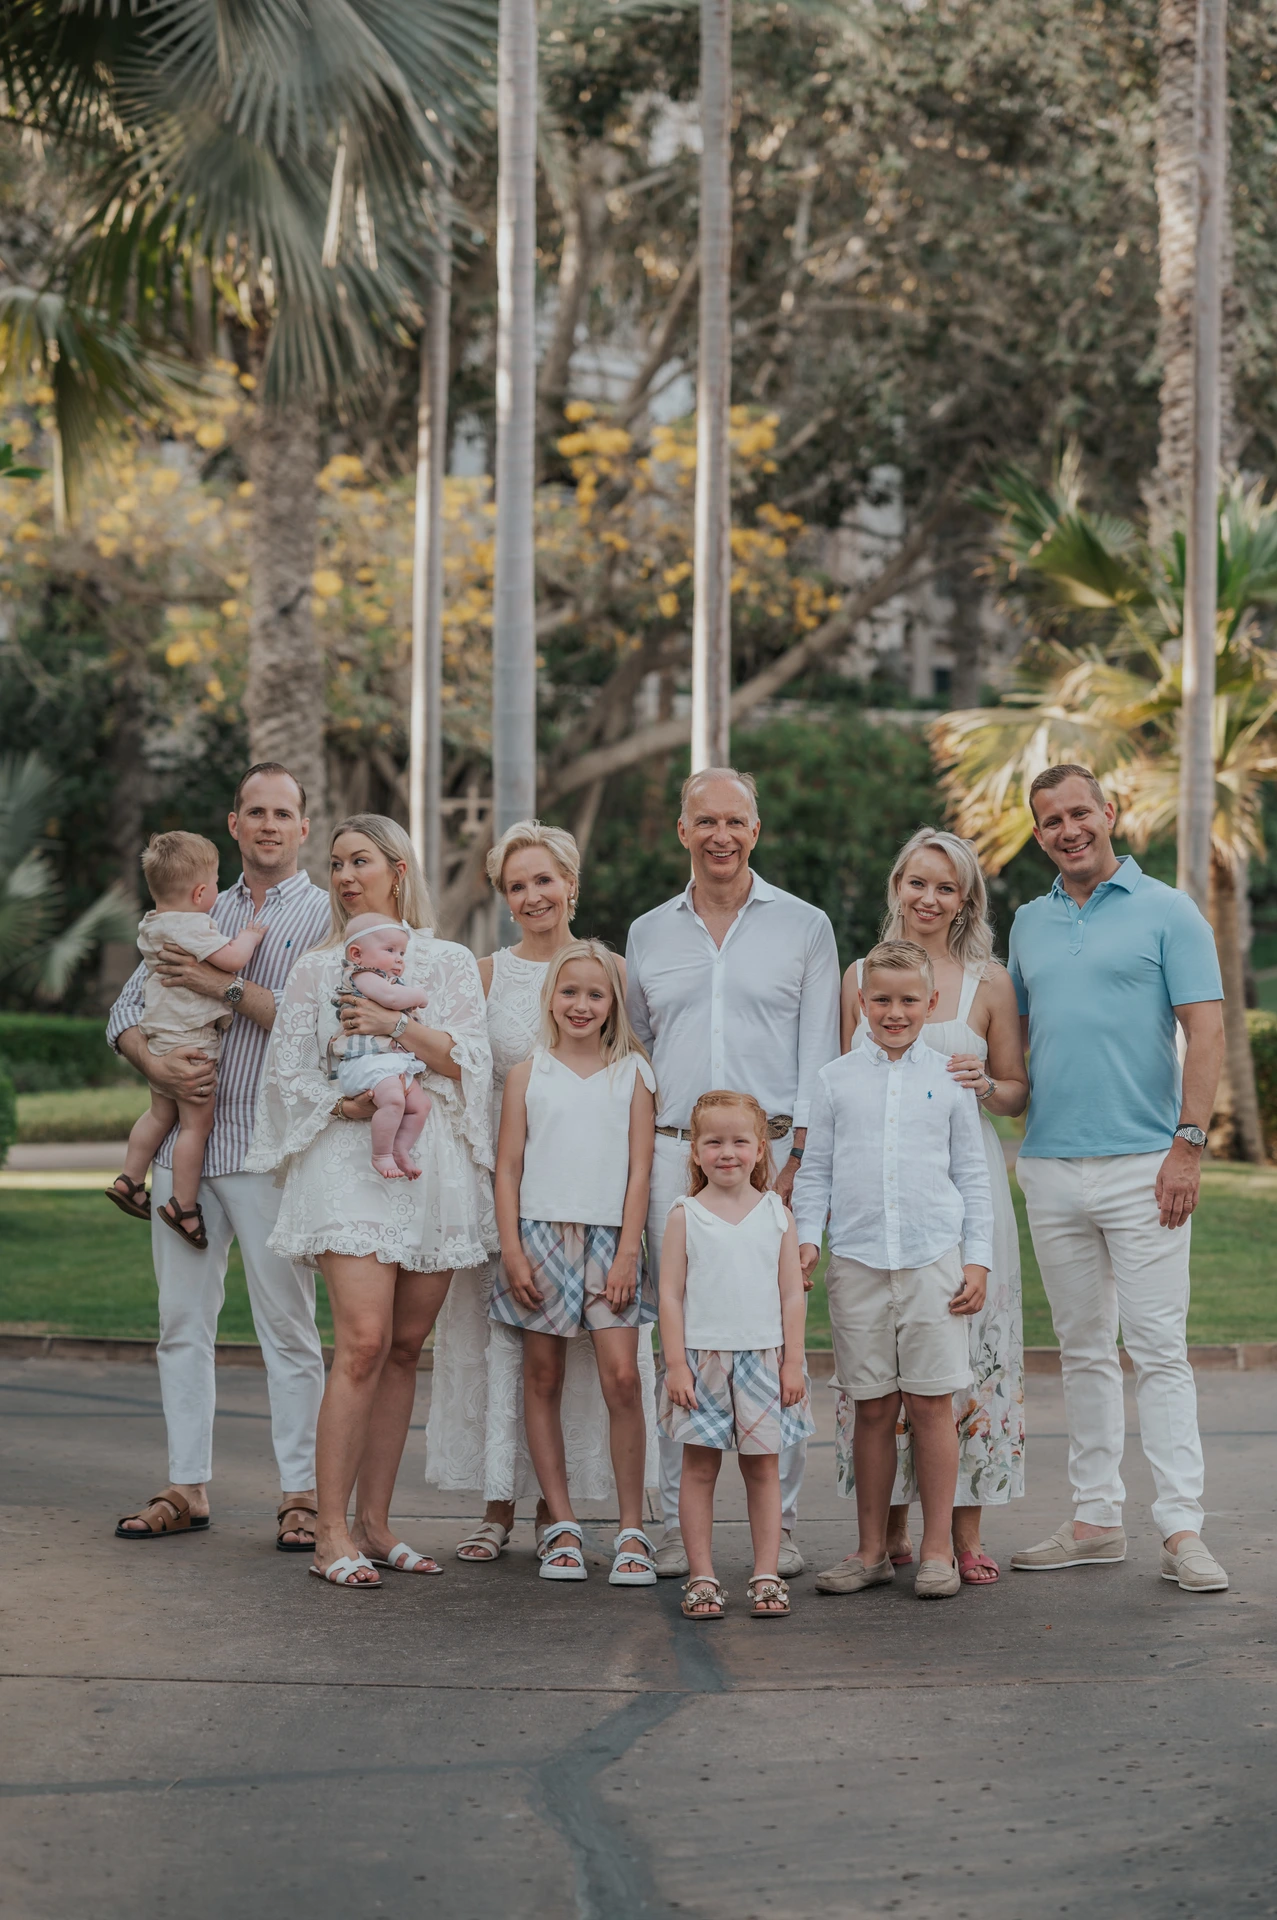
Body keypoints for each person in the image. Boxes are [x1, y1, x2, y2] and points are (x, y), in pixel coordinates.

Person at [246, 814, 495, 1588]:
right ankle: (328, 1534)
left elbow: (468, 1062)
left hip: (431, 1170)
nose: (346, 876)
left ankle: (377, 1525)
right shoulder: (318, 970)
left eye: (360, 862)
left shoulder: (447, 963)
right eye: (336, 865)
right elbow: (286, 1077)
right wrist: (343, 1106)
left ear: (397, 869)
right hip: (346, 1167)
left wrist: (394, 1025)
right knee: (359, 1340)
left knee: (402, 1350)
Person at [1006, 765, 1229, 1594]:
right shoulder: (1026, 923)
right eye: (1049, 821)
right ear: (1038, 836)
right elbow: (1023, 1046)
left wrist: (1188, 1145)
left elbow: (1203, 1035)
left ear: (1109, 814)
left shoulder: (1169, 910)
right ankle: (1096, 1520)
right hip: (1052, 1167)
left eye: (1078, 813)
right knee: (1082, 1351)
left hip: (1146, 1165)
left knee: (1158, 1350)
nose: (1067, 830)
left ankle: (1180, 1528)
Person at [107, 764, 330, 1551]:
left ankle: (302, 1496)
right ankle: (186, 1486)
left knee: (289, 1328)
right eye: (255, 812)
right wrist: (152, 1063)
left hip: (272, 1152)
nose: (269, 824)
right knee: (181, 1323)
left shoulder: (327, 915)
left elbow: (314, 1025)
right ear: (233, 824)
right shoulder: (194, 902)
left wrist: (215, 983)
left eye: (284, 812)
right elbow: (128, 1010)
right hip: (186, 1152)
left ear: (303, 827)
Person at [626, 766, 840, 1580]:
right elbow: (643, 1049)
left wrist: (792, 1164)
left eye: (736, 822)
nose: (721, 836)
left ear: (757, 830)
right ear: (682, 831)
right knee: (675, 1334)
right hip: (677, 1163)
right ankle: (688, 1531)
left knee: (771, 1336)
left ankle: (775, 1528)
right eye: (704, 821)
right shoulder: (649, 933)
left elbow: (819, 1050)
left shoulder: (805, 926)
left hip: (773, 1164)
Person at [426, 820, 657, 1565]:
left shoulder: (612, 971)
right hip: (514, 1195)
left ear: (571, 885)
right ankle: (508, 1507)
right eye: (517, 884)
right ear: (503, 896)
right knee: (517, 1363)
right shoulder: (486, 975)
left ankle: (620, 1519)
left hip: (600, 1200)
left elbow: (636, 1081)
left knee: (614, 1371)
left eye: (544, 880)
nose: (532, 895)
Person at [839, 827, 1028, 1583]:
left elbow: (1016, 1091)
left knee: (964, 1359)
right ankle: (882, 1533)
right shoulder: (859, 974)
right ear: (896, 885)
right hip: (877, 1194)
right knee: (881, 1369)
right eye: (917, 882)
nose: (928, 898)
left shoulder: (989, 981)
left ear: (965, 900)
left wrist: (984, 1084)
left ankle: (960, 1532)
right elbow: (837, 1079)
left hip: (960, 1188)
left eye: (945, 887)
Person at [795, 941, 994, 1601]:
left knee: (932, 1405)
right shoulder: (834, 1079)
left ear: (929, 1004)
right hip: (856, 1261)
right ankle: (871, 1549)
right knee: (871, 1407)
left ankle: (936, 1548)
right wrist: (805, 1240)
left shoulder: (950, 1078)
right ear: (861, 1001)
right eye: (880, 999)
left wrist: (976, 1258)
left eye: (908, 1000)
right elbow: (816, 1169)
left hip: (932, 1258)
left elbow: (971, 1174)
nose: (893, 1011)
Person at [490, 939, 658, 1585]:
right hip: (537, 1237)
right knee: (542, 1378)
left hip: (609, 1241)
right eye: (569, 992)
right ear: (550, 999)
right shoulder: (529, 1073)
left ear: (613, 1003)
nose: (580, 1005)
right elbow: (507, 1168)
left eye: (594, 994)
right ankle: (559, 1526)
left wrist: (625, 1255)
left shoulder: (633, 1075)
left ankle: (631, 1530)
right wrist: (511, 1250)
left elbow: (640, 1172)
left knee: (621, 1378)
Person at [659, 1090, 814, 1622]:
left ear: (759, 1150)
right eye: (714, 1142)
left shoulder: (776, 1214)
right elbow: (671, 1296)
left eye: (740, 1141)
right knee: (698, 1470)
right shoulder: (685, 1215)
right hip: (702, 1361)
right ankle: (702, 1575)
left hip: (765, 1360)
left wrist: (793, 1362)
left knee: (762, 1471)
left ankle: (765, 1572)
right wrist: (676, 1363)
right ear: (695, 1152)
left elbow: (792, 1293)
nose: (728, 1152)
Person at [109, 831, 268, 1247]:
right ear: (201, 892)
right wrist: (249, 937)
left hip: (159, 1039)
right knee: (194, 1128)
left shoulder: (153, 925)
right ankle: (184, 1205)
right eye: (215, 881)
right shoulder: (195, 926)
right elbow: (231, 961)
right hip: (191, 1046)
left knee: (159, 1115)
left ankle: (129, 1177)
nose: (218, 887)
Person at [329, 915, 433, 1178]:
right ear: (357, 954)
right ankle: (381, 1154)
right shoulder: (361, 975)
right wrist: (419, 996)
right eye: (390, 950)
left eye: (402, 953)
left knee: (421, 1105)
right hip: (366, 1061)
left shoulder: (389, 980)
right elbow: (390, 999)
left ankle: (401, 1148)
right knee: (395, 1100)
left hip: (389, 1063)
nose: (399, 959)